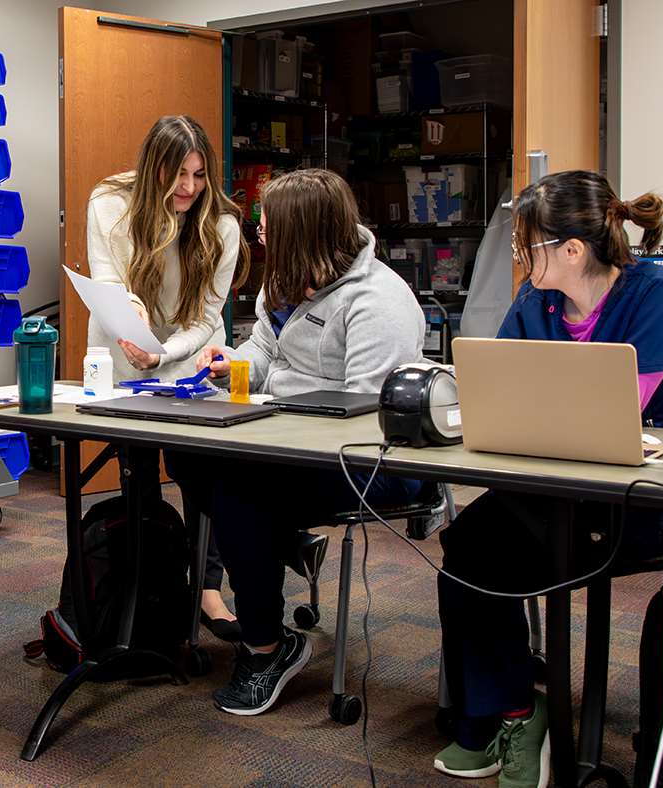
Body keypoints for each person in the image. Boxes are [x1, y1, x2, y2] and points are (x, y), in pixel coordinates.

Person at [433, 170, 663, 788]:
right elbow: (499, 389)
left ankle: (507, 712)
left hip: (624, 506)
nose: (521, 256)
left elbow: (623, 407)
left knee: (484, 554)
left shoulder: (654, 293)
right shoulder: (533, 301)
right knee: (463, 551)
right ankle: (516, 711)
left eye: (530, 244)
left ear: (572, 250)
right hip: (540, 493)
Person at [189, 168, 425, 715]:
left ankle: (266, 646)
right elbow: (263, 354)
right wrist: (233, 364)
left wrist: (274, 401)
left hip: (376, 462)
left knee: (240, 489)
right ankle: (269, 551)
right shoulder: (285, 284)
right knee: (193, 458)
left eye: (269, 229)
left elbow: (364, 412)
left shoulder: (378, 302)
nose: (260, 236)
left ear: (304, 234)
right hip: (291, 445)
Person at [86, 114, 251, 639]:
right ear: (152, 166)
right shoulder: (109, 202)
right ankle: (147, 588)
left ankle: (206, 587)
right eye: (177, 174)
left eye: (199, 176)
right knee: (136, 467)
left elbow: (205, 318)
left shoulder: (221, 223)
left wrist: (164, 354)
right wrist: (131, 323)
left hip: (188, 354)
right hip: (122, 344)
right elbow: (108, 280)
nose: (188, 189)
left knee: (203, 470)